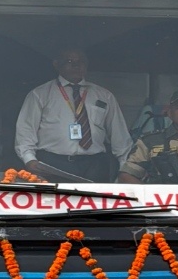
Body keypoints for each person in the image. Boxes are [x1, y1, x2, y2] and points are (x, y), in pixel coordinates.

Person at [15, 47, 133, 182]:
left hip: (95, 164)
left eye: (81, 62)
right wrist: (29, 159)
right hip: (54, 163)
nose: (76, 66)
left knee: (95, 203)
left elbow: (120, 136)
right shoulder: (39, 94)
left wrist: (126, 168)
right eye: (70, 61)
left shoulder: (104, 95)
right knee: (57, 202)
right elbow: (26, 130)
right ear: (57, 64)